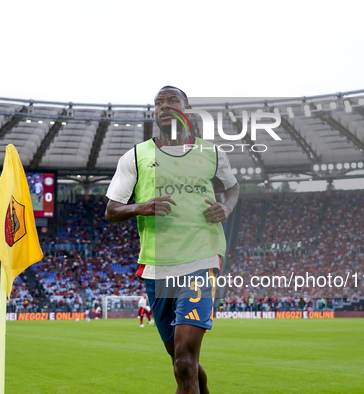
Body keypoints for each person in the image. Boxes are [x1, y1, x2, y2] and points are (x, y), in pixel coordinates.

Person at [106, 86, 239, 393]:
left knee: (183, 362)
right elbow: (111, 210)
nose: (164, 106)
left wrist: (227, 207)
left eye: (172, 100)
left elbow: (232, 188)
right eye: (158, 102)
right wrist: (141, 206)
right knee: (178, 359)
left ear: (187, 109)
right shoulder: (135, 156)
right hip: (157, 266)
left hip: (201, 258)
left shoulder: (211, 153)